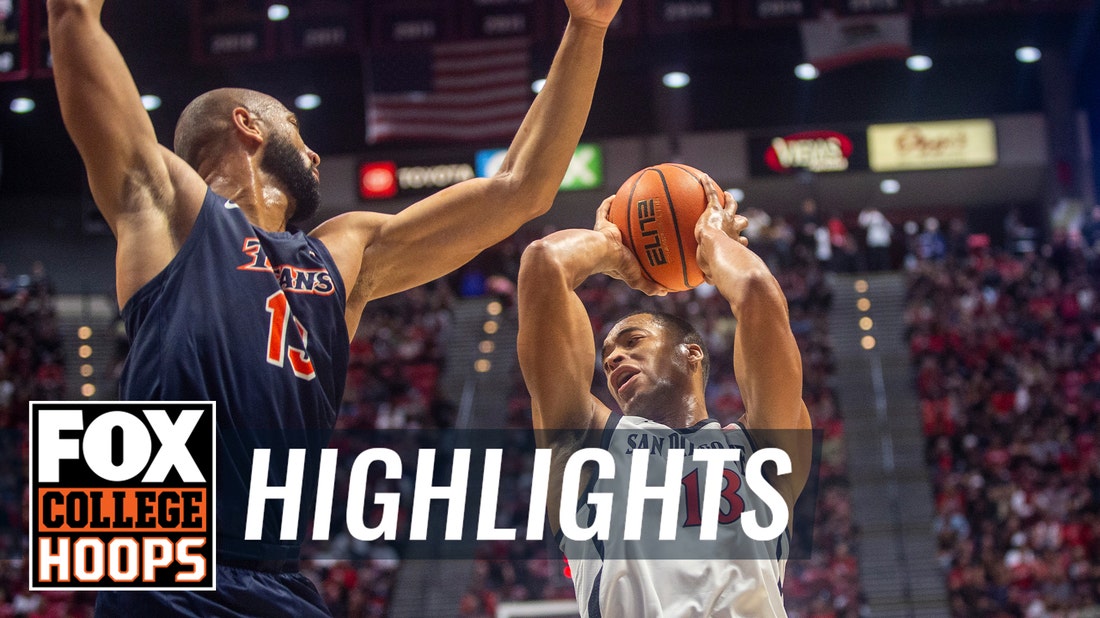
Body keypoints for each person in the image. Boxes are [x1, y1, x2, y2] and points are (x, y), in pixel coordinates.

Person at [47, 0, 623, 614]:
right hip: (157, 558)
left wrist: (586, 28)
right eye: (297, 127)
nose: (315, 153)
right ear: (248, 125)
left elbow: (520, 189)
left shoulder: (344, 251)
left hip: (274, 576)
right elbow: (73, 21)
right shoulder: (168, 209)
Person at [516, 176, 813, 616]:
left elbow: (756, 293)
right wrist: (608, 246)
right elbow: (544, 264)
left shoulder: (763, 449)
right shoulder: (582, 444)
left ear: (691, 354)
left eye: (632, 341)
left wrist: (711, 239)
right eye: (608, 354)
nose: (614, 358)